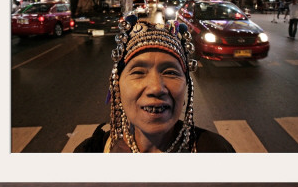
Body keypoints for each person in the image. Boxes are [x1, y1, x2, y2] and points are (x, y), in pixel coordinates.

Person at [74, 16, 235, 153]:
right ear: (117, 86)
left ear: (186, 86)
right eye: (138, 72)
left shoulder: (215, 150)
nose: (156, 88)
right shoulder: (90, 152)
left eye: (170, 73)